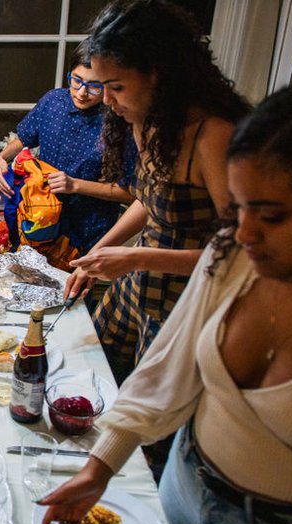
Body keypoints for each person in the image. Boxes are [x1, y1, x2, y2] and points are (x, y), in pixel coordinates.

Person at [39, 87, 292, 524]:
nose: (244, 233)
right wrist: (98, 470)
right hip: (181, 490)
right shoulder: (230, 254)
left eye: (271, 216)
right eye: (237, 208)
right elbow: (164, 370)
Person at [65, 0, 250, 382]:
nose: (107, 100)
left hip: (185, 301)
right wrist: (97, 253)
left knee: (148, 413)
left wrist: (135, 259)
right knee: (92, 378)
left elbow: (238, 256)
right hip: (138, 286)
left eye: (116, 87)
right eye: (103, 87)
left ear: (160, 76)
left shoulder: (212, 136)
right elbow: (150, 202)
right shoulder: (147, 122)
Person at [0, 40, 136, 266]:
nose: (82, 92)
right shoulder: (53, 101)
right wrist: (1, 158)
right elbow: (24, 137)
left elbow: (129, 193)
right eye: (76, 80)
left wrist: (75, 185)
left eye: (94, 85)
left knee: (74, 296)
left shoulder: (119, 120)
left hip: (87, 229)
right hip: (40, 219)